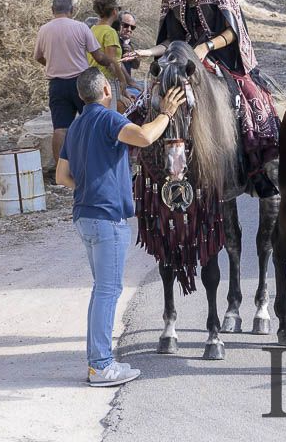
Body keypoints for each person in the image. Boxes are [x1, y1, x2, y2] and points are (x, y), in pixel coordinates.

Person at [56, 68, 186, 387]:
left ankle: (97, 362)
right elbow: (144, 137)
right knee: (108, 290)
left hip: (84, 216)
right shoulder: (109, 119)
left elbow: (61, 176)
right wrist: (167, 113)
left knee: (101, 289)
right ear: (105, 91)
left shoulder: (75, 127)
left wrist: (88, 188)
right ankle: (101, 366)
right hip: (106, 219)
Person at [132, 0, 280, 196]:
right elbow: (168, 39)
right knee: (147, 100)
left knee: (252, 99)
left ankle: (259, 163)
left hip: (223, 58)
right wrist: (149, 51)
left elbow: (234, 32)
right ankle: (148, 164)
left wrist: (206, 47)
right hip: (182, 61)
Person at [35, 0, 116, 162]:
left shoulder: (44, 30)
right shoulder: (80, 27)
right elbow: (99, 57)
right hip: (82, 82)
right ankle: (98, 162)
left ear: (52, 10)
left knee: (60, 128)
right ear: (71, 10)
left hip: (57, 84)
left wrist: (53, 64)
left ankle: (61, 171)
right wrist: (115, 63)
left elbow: (39, 57)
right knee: (94, 122)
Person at [89, 0, 126, 110]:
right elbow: (111, 61)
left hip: (92, 78)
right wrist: (122, 80)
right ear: (114, 11)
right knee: (109, 116)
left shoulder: (93, 29)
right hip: (107, 81)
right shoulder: (110, 32)